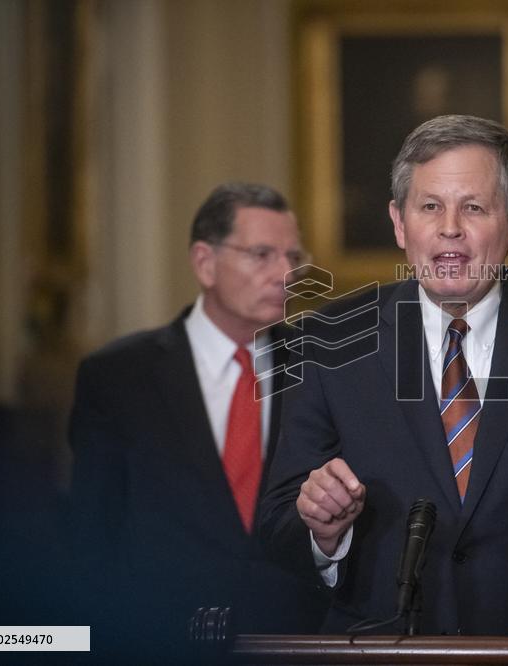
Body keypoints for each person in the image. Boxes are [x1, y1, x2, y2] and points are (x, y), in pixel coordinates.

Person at [258, 115, 508, 638]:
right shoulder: (328, 340)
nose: (450, 227)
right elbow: (278, 522)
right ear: (399, 222)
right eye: (430, 206)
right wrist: (322, 533)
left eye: (474, 207)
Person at [68, 183, 327, 658]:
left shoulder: (323, 369)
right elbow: (93, 536)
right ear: (205, 262)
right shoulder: (119, 376)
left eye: (293, 256)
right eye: (262, 255)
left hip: (292, 641)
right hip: (157, 642)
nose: (285, 274)